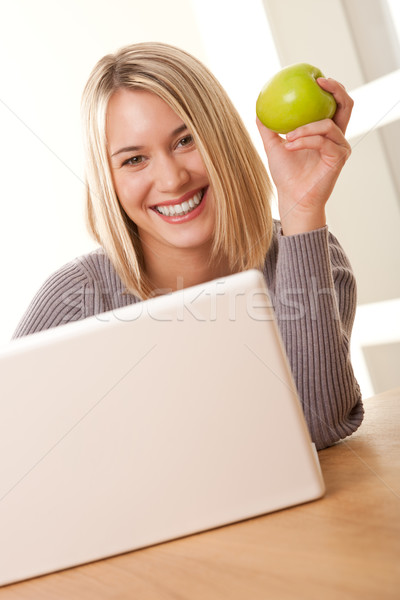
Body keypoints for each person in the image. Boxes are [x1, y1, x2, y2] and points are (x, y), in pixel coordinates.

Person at [13, 42, 363, 449]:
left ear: (223, 140)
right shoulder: (76, 299)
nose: (172, 179)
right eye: (134, 160)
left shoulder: (308, 256)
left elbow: (317, 424)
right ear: (109, 182)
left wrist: (303, 210)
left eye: (185, 141)